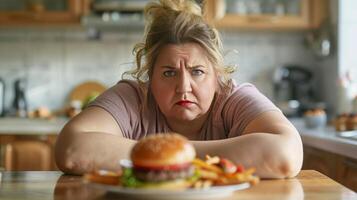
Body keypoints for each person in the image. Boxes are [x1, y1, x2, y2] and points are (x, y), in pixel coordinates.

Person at [55, 0, 303, 178]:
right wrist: (195, 159)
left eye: (197, 71)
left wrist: (176, 154)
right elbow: (71, 150)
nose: (184, 87)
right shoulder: (133, 97)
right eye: (169, 73)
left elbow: (286, 156)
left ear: (217, 77)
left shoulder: (233, 98)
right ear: (149, 79)